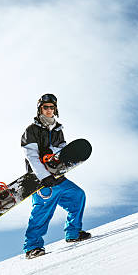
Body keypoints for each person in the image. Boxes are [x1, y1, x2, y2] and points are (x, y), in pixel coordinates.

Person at [21, 93, 90, 259]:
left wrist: (61, 158)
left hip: (57, 176)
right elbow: (31, 155)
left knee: (77, 196)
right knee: (42, 211)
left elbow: (63, 151)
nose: (49, 110)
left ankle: (73, 233)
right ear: (40, 109)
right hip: (41, 180)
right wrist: (44, 176)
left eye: (52, 107)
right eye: (46, 107)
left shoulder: (58, 129)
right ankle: (33, 247)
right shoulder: (32, 130)